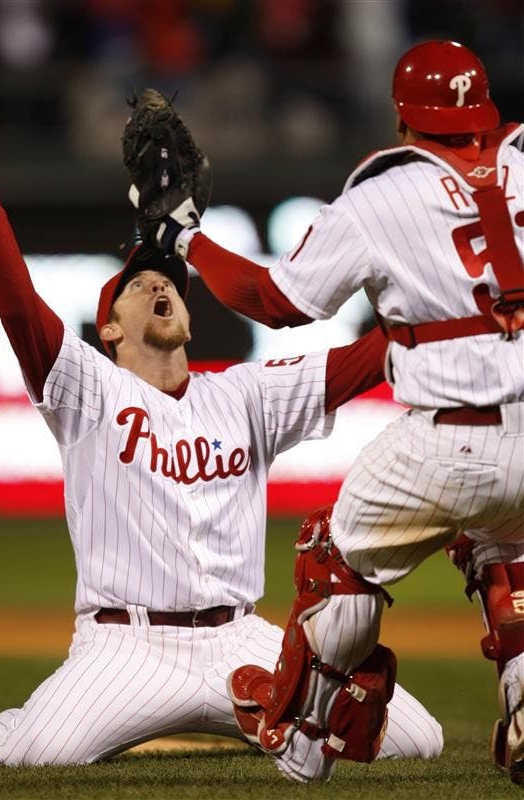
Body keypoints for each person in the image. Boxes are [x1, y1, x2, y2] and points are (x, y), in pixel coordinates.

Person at [0, 90, 444, 779]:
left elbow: (364, 361)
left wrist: (449, 304)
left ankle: (259, 704)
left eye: (168, 279)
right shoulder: (86, 387)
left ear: (191, 321)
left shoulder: (245, 395)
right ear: (108, 327)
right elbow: (18, 303)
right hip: (127, 648)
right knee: (37, 753)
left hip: (243, 640)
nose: (159, 284)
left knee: (419, 739)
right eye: (139, 283)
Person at [138, 40, 524, 783]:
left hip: (447, 438)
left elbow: (276, 302)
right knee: (509, 551)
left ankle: (305, 740)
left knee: (336, 559)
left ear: (403, 117)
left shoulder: (382, 188)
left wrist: (182, 236)